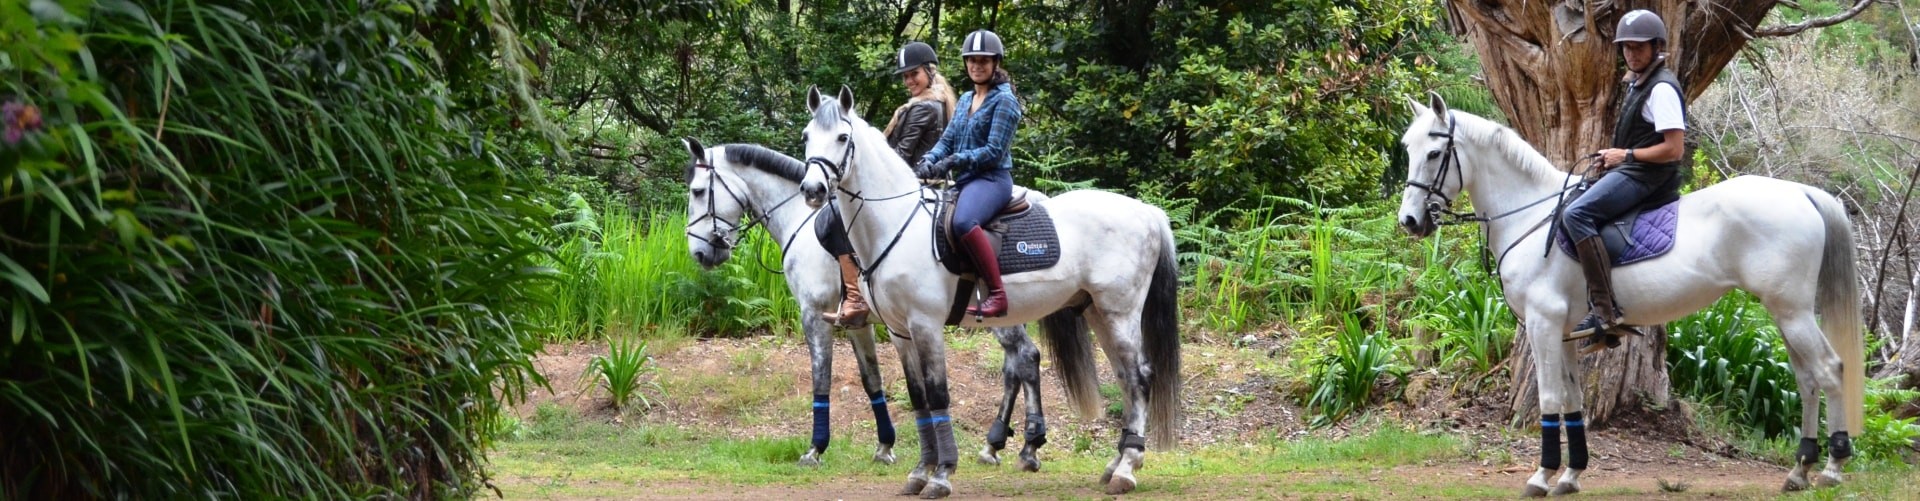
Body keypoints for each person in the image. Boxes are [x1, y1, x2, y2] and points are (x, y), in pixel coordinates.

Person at [1561, 9, 1687, 348]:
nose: (1631, 54)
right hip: (1634, 169)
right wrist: (1613, 157)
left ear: (1657, 47)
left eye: (1638, 47)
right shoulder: (1639, 81)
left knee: (1576, 214)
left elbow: (1674, 149)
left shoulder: (1661, 89)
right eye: (1626, 48)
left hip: (1650, 177)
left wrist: (1625, 156)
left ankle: (1605, 312)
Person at [818, 42, 957, 327]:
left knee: (834, 217)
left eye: (913, 74)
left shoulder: (924, 108)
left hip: (917, 183)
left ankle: (855, 298)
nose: (908, 81)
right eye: (905, 76)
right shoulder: (930, 103)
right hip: (918, 180)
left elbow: (901, 157)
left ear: (930, 72)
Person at [916, 29, 1022, 318]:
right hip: (966, 180)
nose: (977, 65)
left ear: (995, 63)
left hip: (992, 179)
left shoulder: (1005, 101)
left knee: (963, 221)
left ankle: (998, 294)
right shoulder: (964, 99)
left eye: (983, 61)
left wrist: (952, 160)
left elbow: (994, 151)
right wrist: (929, 159)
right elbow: (947, 139)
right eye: (971, 60)